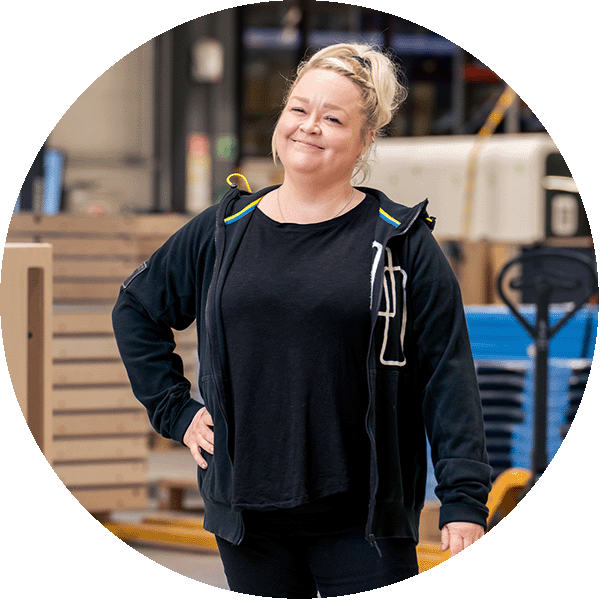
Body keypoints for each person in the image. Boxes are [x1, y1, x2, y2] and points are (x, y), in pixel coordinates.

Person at [112, 42, 492, 597]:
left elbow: (447, 375)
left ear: (366, 139)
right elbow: (137, 308)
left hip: (362, 521)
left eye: (333, 118)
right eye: (298, 109)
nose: (308, 127)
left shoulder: (400, 241)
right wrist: (175, 410)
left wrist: (463, 499)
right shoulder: (225, 228)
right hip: (247, 514)